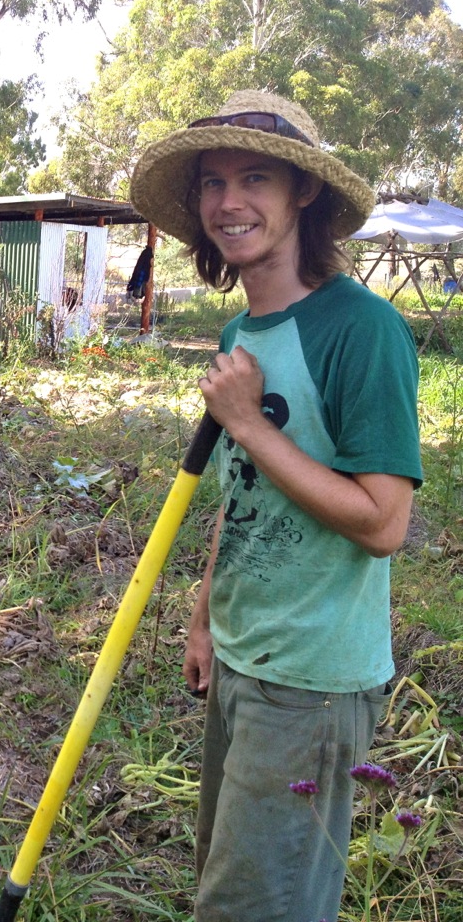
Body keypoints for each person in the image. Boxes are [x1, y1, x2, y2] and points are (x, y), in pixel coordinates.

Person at [130, 90, 422, 922]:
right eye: (213, 182)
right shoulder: (238, 334)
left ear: (303, 194)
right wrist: (203, 618)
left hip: (313, 681)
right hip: (243, 661)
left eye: (255, 177)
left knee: (257, 909)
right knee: (232, 887)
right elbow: (239, 493)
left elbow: (383, 524)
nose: (229, 202)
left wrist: (251, 424)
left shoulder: (361, 331)